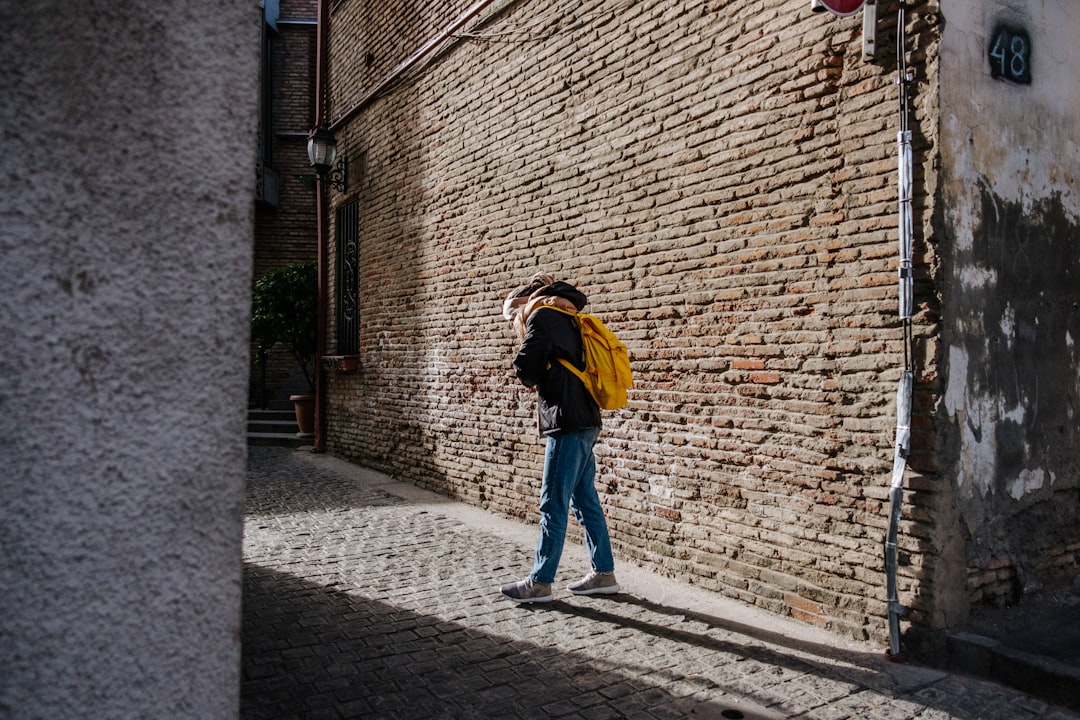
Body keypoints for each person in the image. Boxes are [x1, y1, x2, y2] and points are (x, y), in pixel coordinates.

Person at [499, 272, 620, 603]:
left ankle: (540, 581)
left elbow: (526, 368)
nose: (515, 320)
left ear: (525, 301)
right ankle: (604, 574)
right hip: (586, 417)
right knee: (584, 499)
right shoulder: (571, 314)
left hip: (566, 420)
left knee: (552, 501)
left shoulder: (542, 315)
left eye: (513, 314)